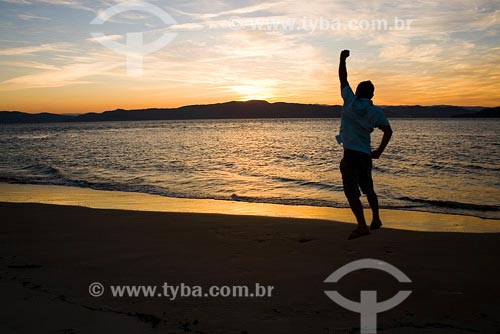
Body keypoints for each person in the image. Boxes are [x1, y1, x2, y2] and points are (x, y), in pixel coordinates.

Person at [337, 49, 393, 240]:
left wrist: (342, 59)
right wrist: (378, 151)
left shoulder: (350, 101)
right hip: (365, 155)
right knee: (368, 188)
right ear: (371, 95)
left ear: (358, 92)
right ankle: (376, 219)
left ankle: (362, 226)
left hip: (351, 155)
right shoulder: (376, 111)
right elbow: (388, 131)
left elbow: (343, 79)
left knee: (351, 192)